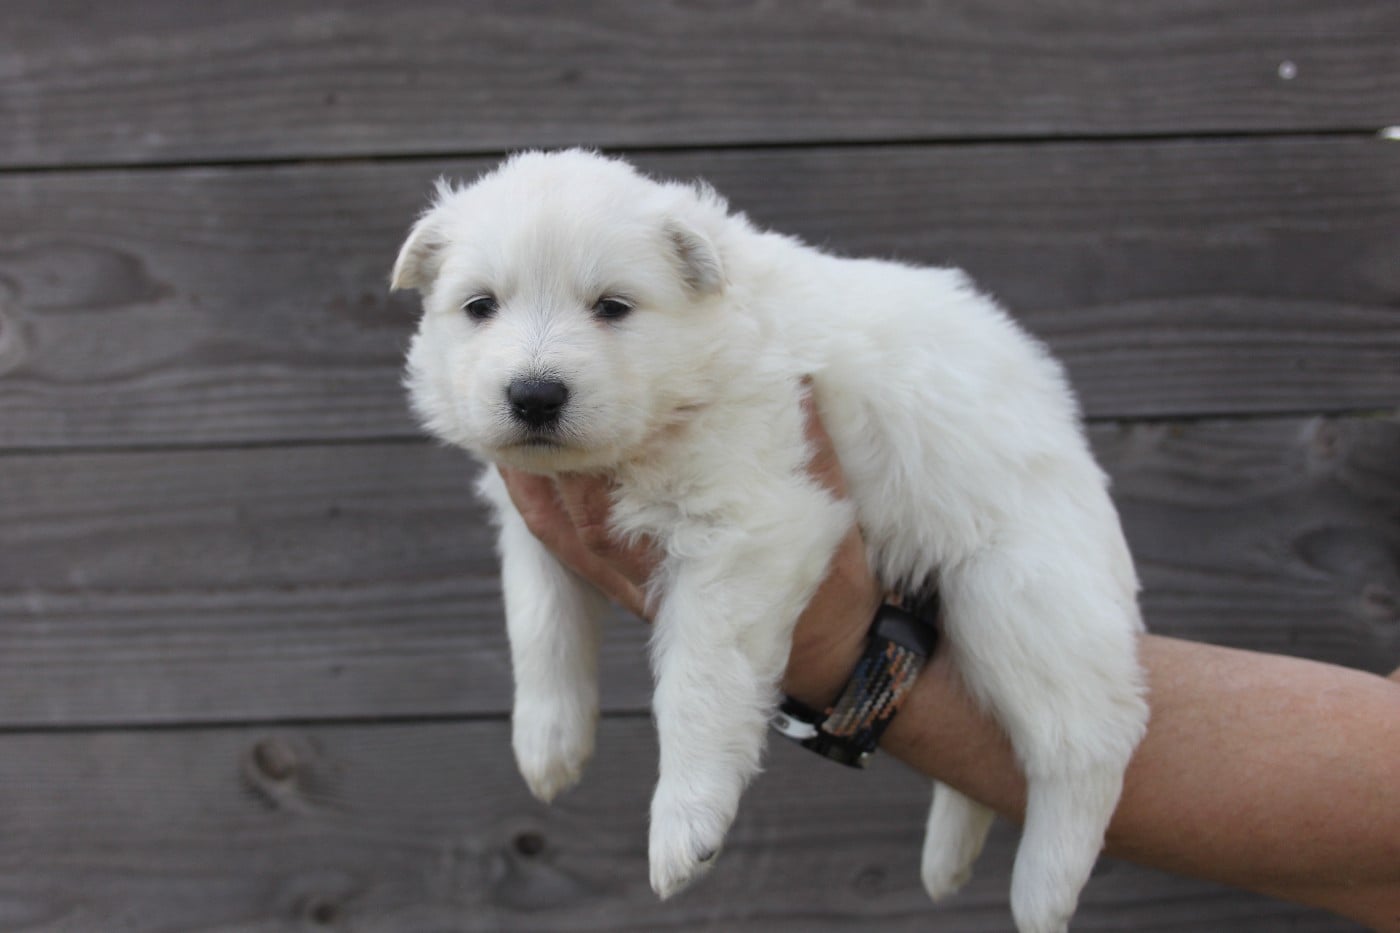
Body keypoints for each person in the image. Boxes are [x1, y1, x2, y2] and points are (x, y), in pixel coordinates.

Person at [497, 400, 1400, 930]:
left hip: (986, 506)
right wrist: (551, 688)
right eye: (482, 307)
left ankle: (1064, 802)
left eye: (611, 305)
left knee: (1041, 661)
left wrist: (849, 660)